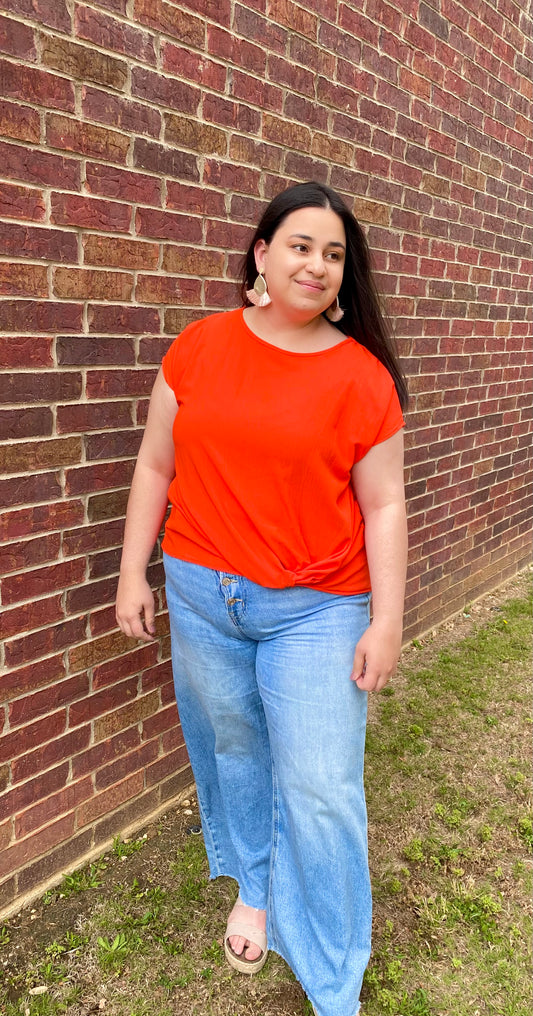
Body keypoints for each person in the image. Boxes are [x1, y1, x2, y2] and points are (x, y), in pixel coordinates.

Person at [116, 181, 408, 1016]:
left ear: (344, 274)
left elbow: (384, 504)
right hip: (204, 593)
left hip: (317, 607)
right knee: (238, 750)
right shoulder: (199, 348)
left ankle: (334, 977)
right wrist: (132, 571)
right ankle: (256, 887)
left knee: (320, 786)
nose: (316, 264)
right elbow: (154, 466)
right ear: (261, 253)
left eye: (333, 253)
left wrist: (386, 621)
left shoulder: (363, 380)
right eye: (300, 245)